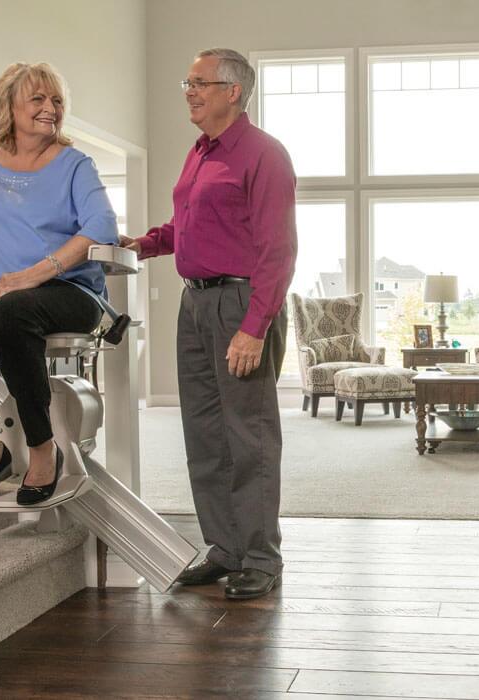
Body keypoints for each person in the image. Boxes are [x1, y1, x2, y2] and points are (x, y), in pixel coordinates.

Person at [122, 48, 296, 600]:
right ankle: (225, 549)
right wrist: (143, 244)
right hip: (194, 304)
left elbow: (278, 251)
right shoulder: (200, 153)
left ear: (233, 91)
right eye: (187, 81)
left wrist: (254, 325)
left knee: (250, 436)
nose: (189, 91)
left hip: (241, 303)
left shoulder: (264, 155)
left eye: (199, 83)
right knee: (203, 432)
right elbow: (187, 225)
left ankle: (262, 557)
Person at [0, 62, 119, 506]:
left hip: (69, 289)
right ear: (9, 107)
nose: (50, 108)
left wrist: (35, 273)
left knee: (12, 311)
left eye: (56, 100)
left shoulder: (75, 164)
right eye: (37, 99)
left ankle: (42, 447)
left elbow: (102, 226)